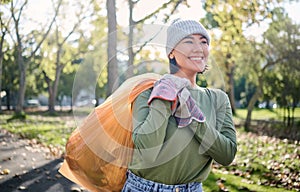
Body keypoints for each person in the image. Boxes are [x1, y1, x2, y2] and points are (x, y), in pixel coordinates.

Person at [121, 19, 237, 192]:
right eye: (188, 41)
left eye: (203, 42)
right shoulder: (146, 92)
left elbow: (227, 155)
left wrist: (192, 115)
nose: (198, 48)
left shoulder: (218, 99)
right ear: (171, 53)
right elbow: (148, 151)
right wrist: (164, 97)